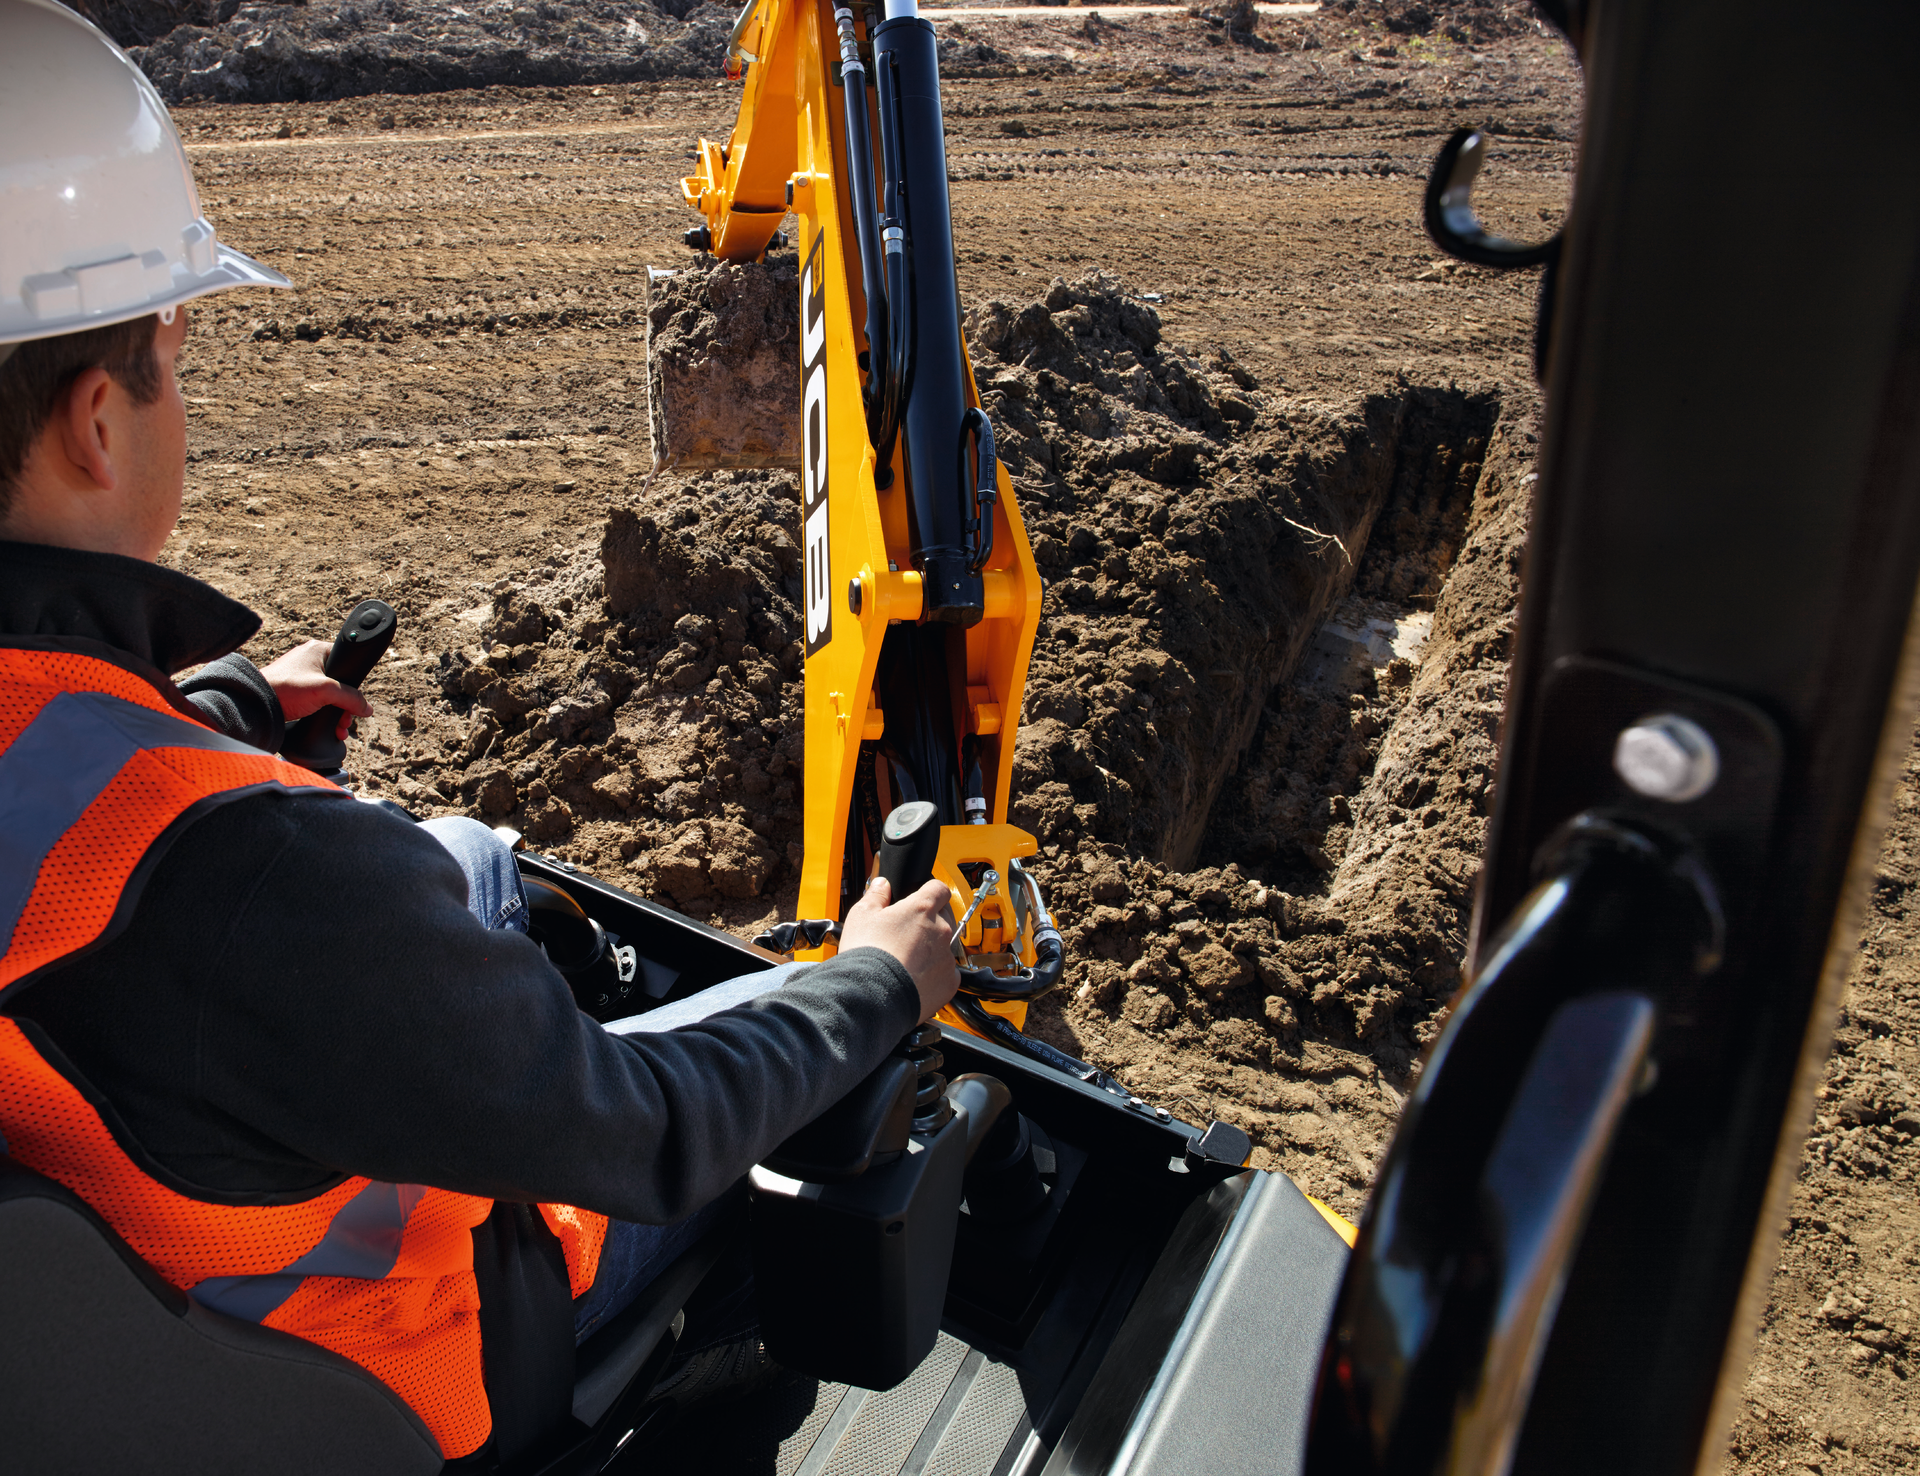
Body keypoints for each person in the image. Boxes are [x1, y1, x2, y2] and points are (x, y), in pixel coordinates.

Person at [0, 0, 959, 1464]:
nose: (179, 396)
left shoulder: (213, 849)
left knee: (461, 853)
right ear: (95, 425)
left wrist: (244, 707)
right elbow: (645, 1126)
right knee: (780, 1044)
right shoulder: (263, 882)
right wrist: (873, 987)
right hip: (380, 1372)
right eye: (173, 357)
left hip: (110, 1263)